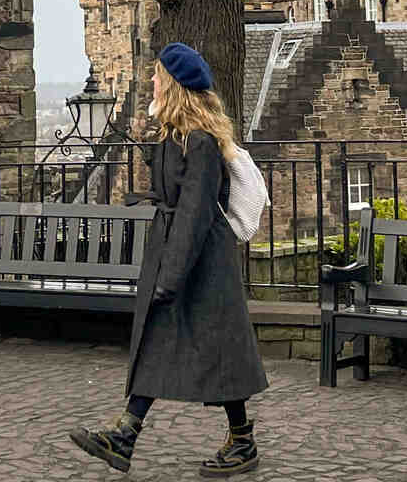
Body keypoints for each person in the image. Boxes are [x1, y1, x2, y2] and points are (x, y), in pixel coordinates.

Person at [69, 42, 270, 477]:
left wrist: (170, 276)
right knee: (160, 340)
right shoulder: (174, 137)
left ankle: (242, 440)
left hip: (202, 260)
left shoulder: (199, 143)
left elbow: (196, 213)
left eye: (158, 76)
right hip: (179, 253)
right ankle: (126, 433)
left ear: (175, 84)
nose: (153, 82)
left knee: (219, 352)